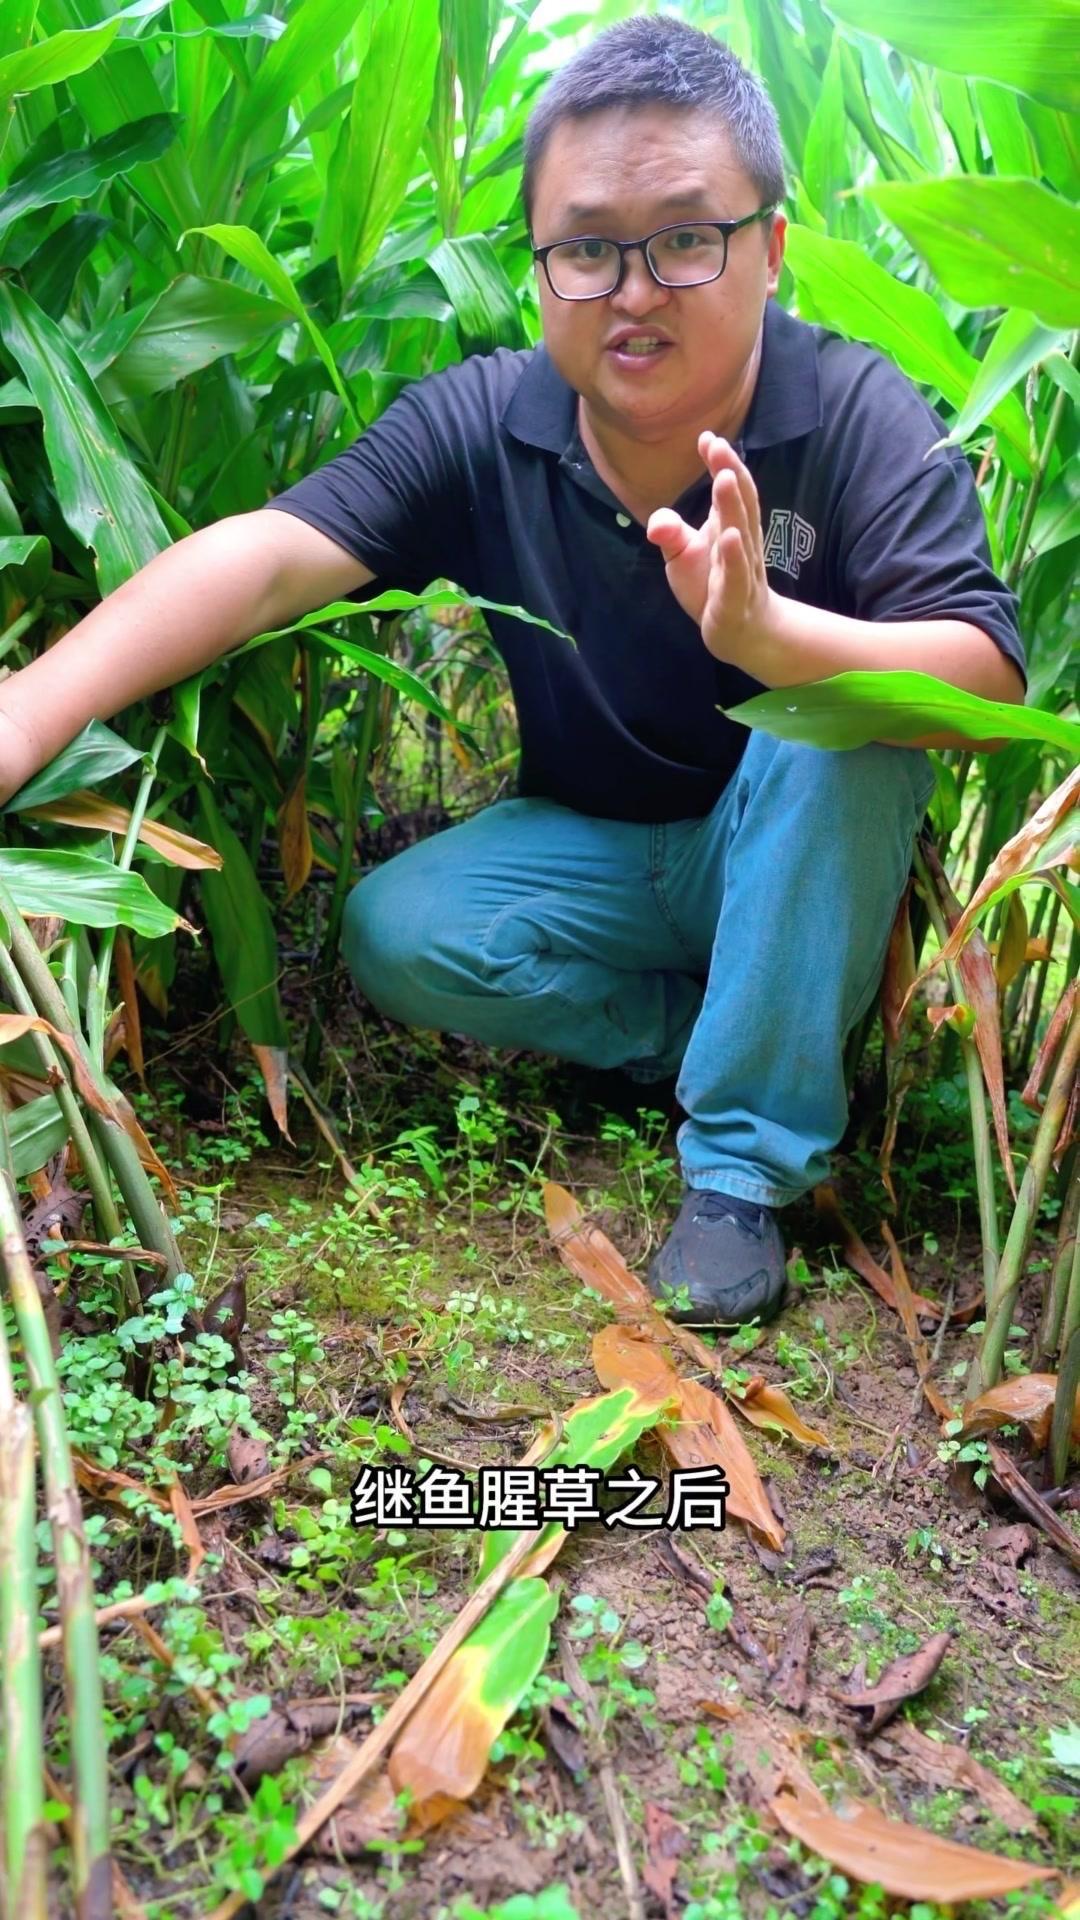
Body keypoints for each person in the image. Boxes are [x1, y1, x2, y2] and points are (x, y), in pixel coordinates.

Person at [0, 18, 1025, 1327]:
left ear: (770, 249)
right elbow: (266, 559)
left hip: (780, 852)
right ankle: (721, 1038)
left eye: (685, 239)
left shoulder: (858, 413)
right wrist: (23, 714)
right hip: (591, 850)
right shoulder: (487, 421)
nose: (635, 290)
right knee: (400, 930)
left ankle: (741, 1167)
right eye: (588, 248)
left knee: (844, 723)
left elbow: (987, 682)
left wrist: (777, 644)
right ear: (540, 265)